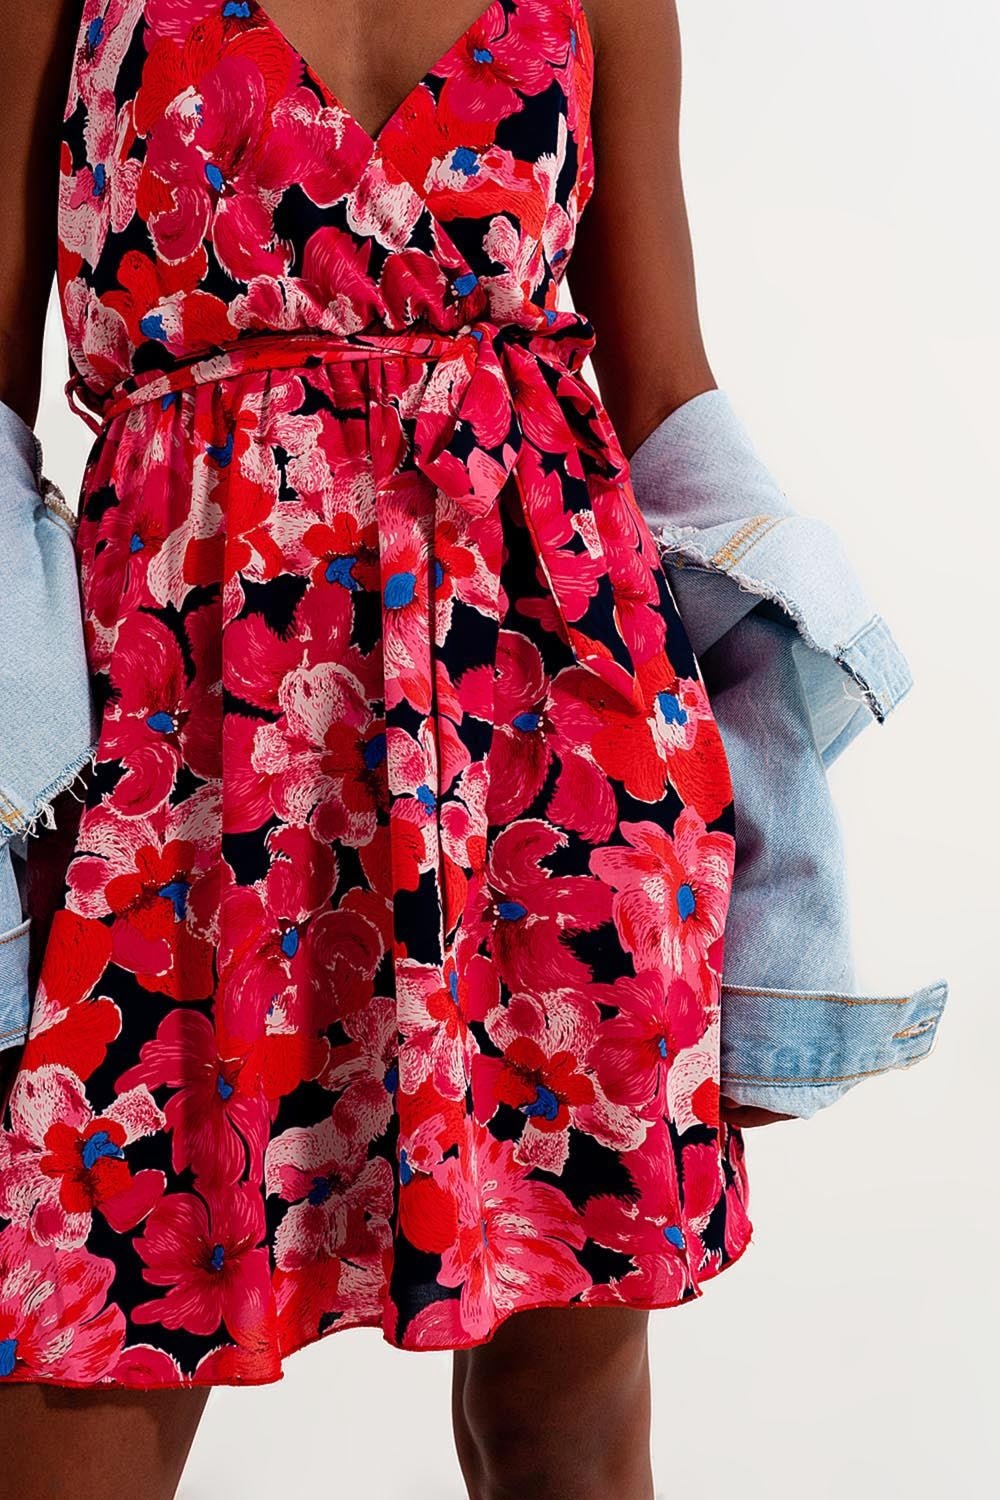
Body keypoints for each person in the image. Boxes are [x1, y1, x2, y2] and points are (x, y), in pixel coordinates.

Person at [0, 3, 947, 1498]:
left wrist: (777, 874)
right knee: (75, 1363)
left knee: (566, 1439)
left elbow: (665, 406)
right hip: (176, 791)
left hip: (559, 779)